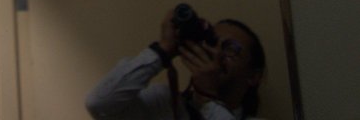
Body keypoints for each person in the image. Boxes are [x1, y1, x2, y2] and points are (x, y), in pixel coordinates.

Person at [85, 8, 267, 120]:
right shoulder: (163, 102)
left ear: (254, 76)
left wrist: (207, 99)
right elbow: (99, 105)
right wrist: (162, 51)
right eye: (212, 42)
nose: (216, 52)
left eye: (231, 49)